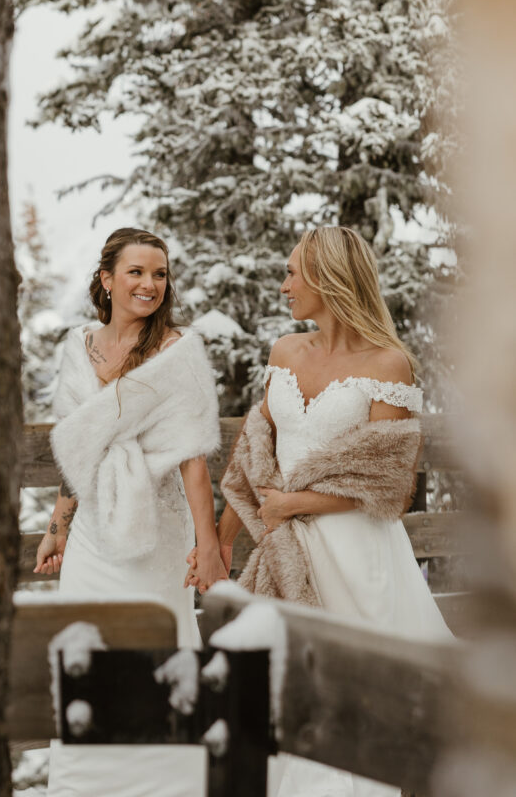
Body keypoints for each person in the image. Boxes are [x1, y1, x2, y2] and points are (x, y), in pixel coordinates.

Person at [186, 225, 451, 797]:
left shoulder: (388, 364)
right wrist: (222, 542)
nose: (283, 285)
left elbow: (393, 484)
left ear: (328, 279)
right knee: (288, 697)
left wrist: (295, 501)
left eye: (291, 273)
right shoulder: (284, 351)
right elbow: (254, 457)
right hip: (287, 551)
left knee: (360, 703)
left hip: (359, 557)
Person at [37, 227, 227, 797]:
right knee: (83, 656)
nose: (149, 284)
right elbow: (77, 448)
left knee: (156, 655)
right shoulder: (79, 346)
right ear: (107, 278)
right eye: (137, 272)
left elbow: (194, 461)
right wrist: (58, 527)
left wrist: (208, 544)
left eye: (160, 274)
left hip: (154, 537)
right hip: (92, 534)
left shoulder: (178, 351)